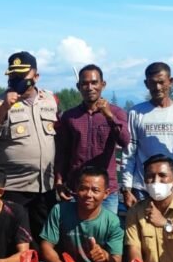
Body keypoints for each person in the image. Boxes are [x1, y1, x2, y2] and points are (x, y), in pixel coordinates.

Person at [0, 51, 60, 238]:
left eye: (22, 75)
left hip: (45, 186)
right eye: (13, 75)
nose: (17, 79)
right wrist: (4, 109)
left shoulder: (50, 100)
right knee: (16, 239)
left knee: (44, 239)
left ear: (36, 76)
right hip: (14, 187)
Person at [121, 62, 173, 208]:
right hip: (143, 187)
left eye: (161, 82)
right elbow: (129, 153)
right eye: (153, 83)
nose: (157, 87)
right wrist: (127, 188)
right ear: (146, 84)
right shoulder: (136, 113)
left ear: (170, 82)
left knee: (171, 229)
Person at [55, 65, 129, 215]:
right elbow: (62, 151)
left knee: (106, 234)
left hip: (106, 192)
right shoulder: (70, 116)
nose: (90, 87)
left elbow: (125, 141)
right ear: (78, 86)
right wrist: (59, 179)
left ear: (103, 84)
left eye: (94, 83)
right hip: (75, 189)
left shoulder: (116, 113)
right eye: (85, 83)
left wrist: (109, 117)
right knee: (72, 235)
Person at [40, 166, 124, 262]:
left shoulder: (112, 222)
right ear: (76, 189)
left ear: (106, 194)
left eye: (95, 190)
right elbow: (46, 245)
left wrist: (105, 257)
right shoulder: (59, 210)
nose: (89, 195)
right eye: (83, 189)